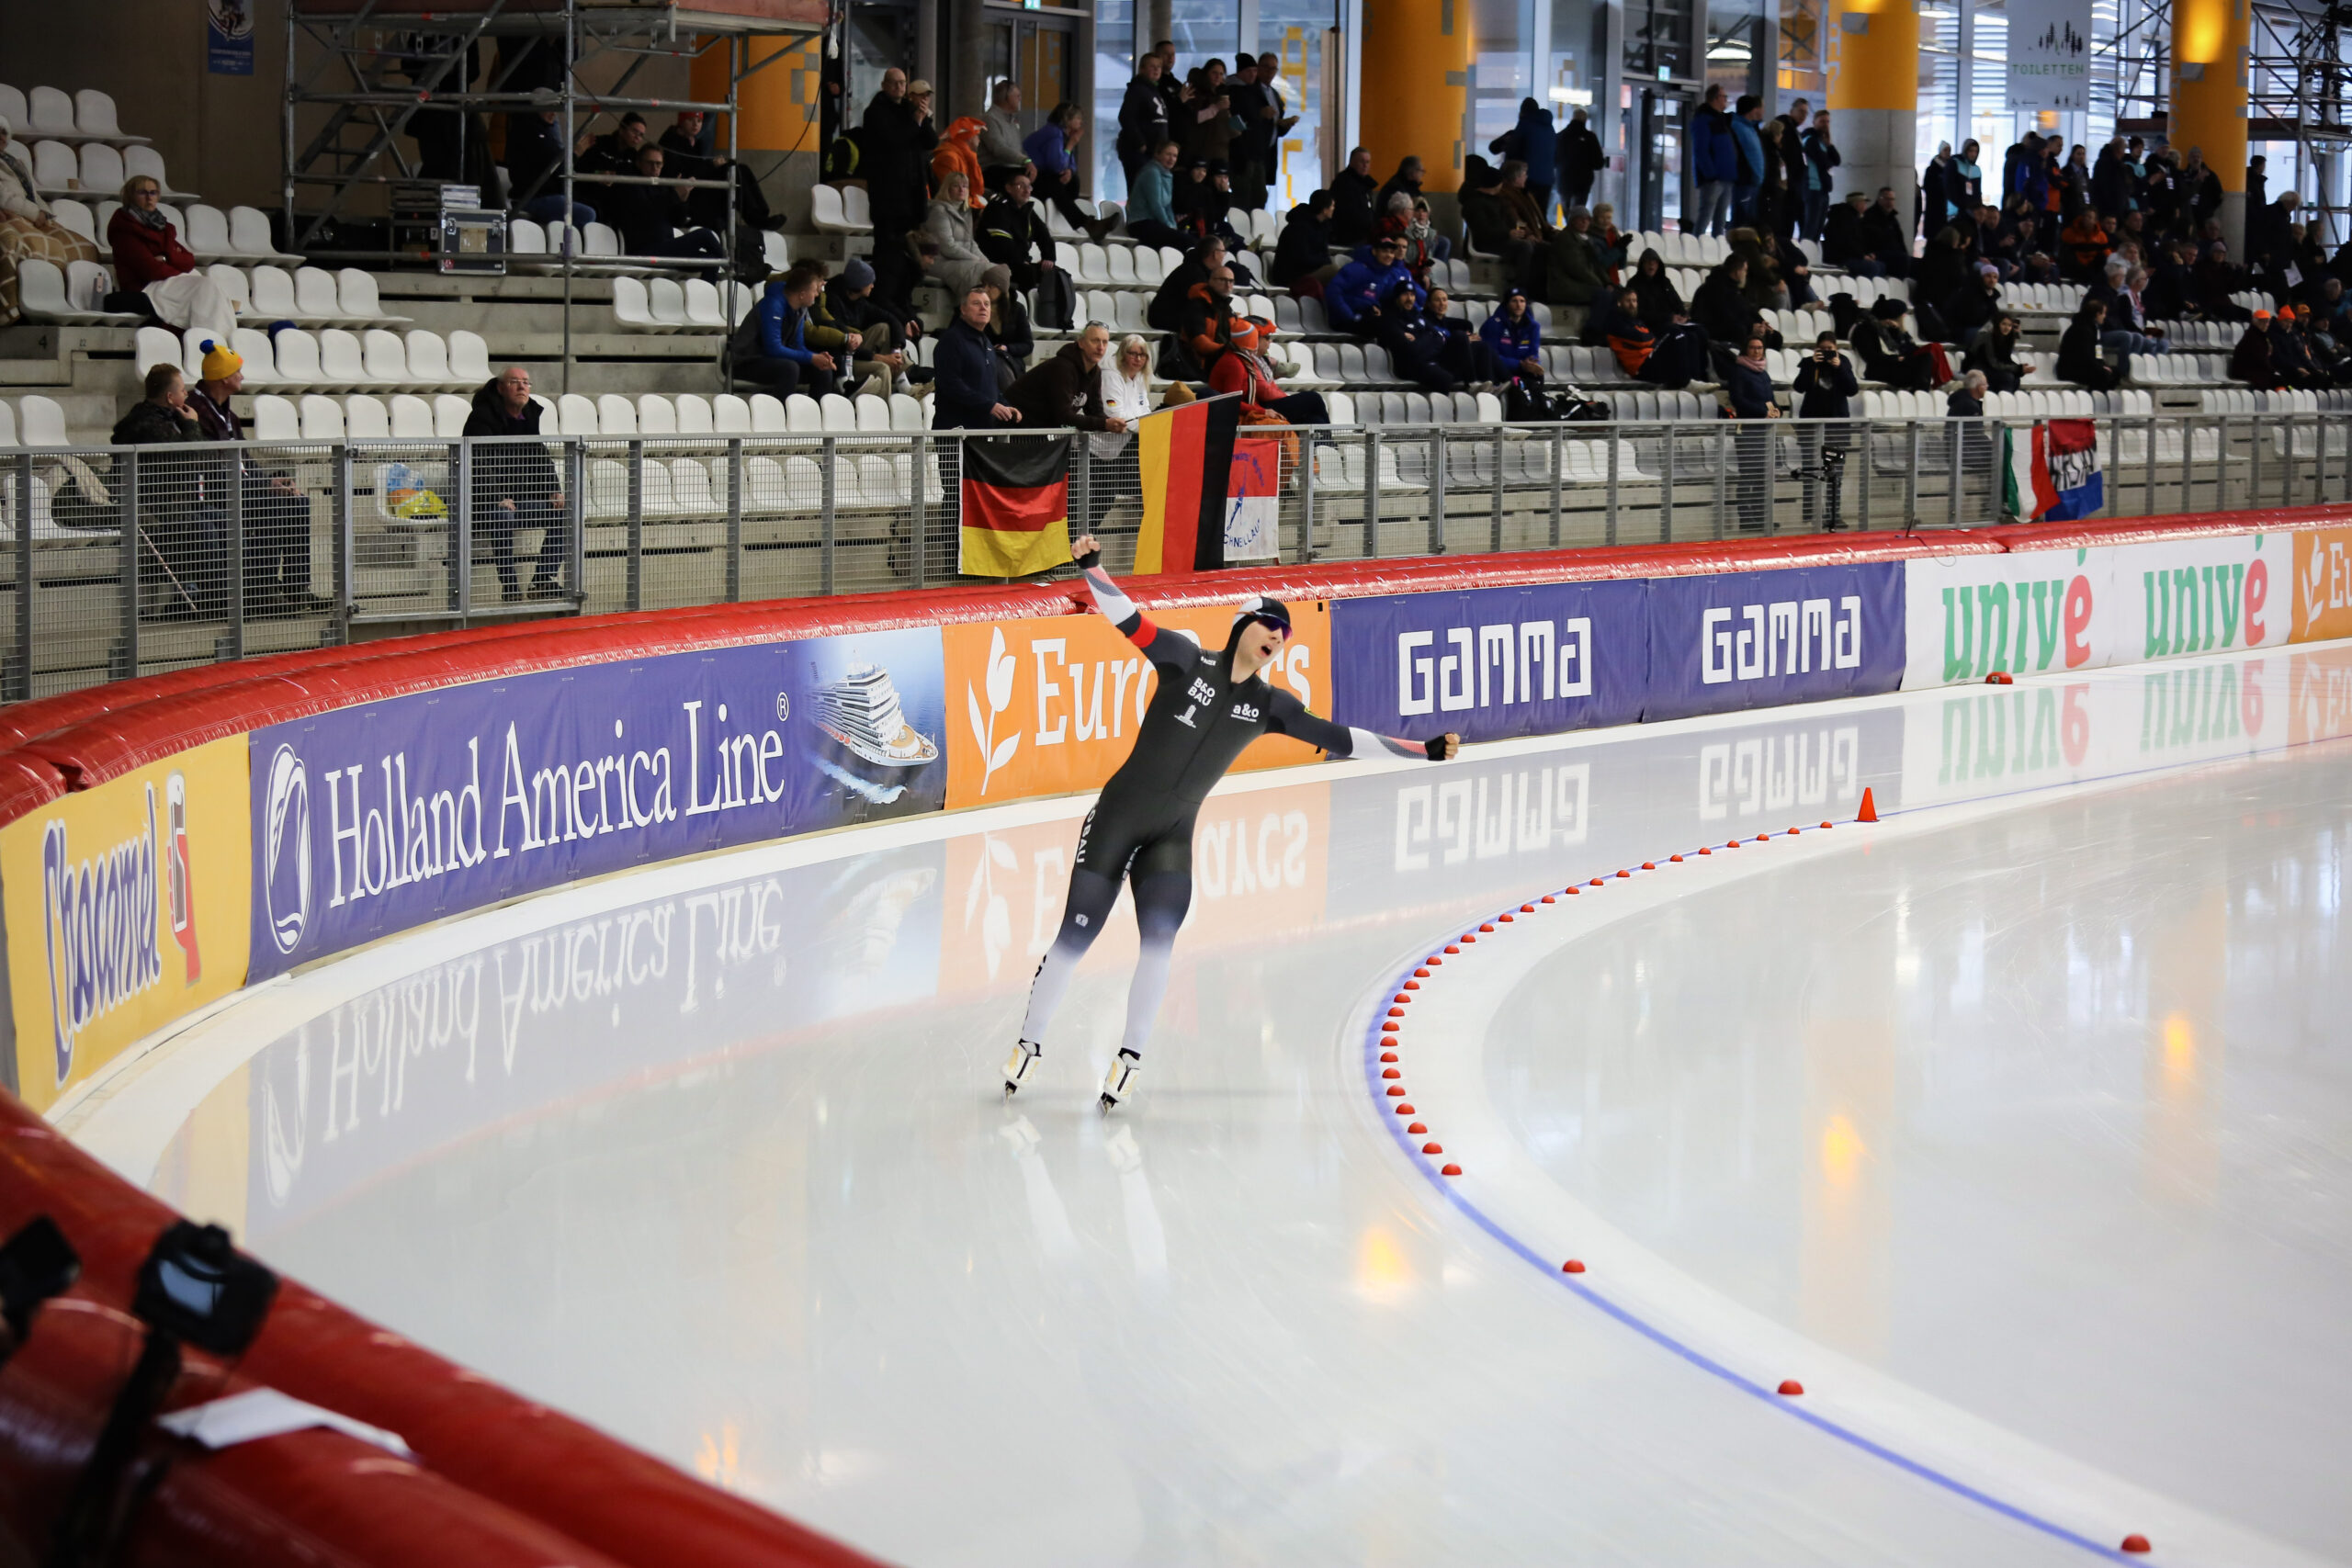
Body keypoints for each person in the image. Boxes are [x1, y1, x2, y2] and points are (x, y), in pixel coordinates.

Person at [1003, 542, 1460, 1108]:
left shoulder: (1271, 705)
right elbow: (1129, 620)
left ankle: (1129, 1060)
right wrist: (1091, 567)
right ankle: (1029, 1044)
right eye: (1270, 623)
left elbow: (1341, 739)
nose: (1278, 636)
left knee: (1159, 943)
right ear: (1244, 622)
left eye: (1285, 634)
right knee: (1075, 938)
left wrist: (1424, 750)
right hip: (1117, 819)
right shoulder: (1184, 659)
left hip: (1171, 837)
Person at [184, 340, 329, 614]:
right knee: (276, 506)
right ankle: (264, 589)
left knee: (297, 502)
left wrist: (273, 481)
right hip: (219, 495)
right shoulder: (197, 411)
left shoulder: (228, 414)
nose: (242, 376)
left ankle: (297, 590)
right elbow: (214, 469)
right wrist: (265, 485)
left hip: (244, 488)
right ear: (223, 378)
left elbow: (245, 462)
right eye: (237, 371)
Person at [462, 367, 569, 603]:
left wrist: (554, 491)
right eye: (515, 382)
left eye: (526, 382)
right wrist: (497, 496)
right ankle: (510, 585)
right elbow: (476, 462)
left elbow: (541, 458)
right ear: (501, 388)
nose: (522, 387)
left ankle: (542, 580)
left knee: (566, 512)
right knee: (503, 516)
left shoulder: (530, 416)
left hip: (522, 502)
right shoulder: (481, 418)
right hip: (485, 504)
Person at [107, 176, 235, 344]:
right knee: (205, 286)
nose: (149, 197)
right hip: (146, 287)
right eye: (142, 192)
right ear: (131, 196)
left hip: (168, 281)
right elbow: (150, 269)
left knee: (211, 288)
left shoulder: (161, 225)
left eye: (153, 192)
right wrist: (174, 261)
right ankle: (211, 345)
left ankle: (218, 343)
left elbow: (188, 260)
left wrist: (166, 258)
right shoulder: (124, 229)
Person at [0, 115, 101, 327]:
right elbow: (5, 198)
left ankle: (84, 305)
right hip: (12, 214)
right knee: (43, 246)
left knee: (84, 247)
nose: (0, 137)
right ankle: (18, 309)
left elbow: (33, 195)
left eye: (3, 132)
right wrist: (34, 214)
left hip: (28, 213)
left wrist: (45, 215)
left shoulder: (15, 163)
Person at [600, 145, 725, 265]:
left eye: (658, 164)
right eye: (650, 163)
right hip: (644, 250)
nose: (654, 167)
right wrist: (675, 194)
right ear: (639, 163)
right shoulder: (630, 184)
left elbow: (678, 221)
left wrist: (682, 200)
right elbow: (647, 211)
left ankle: (720, 273)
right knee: (704, 234)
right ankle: (731, 266)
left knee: (710, 261)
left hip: (666, 248)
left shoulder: (662, 187)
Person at [729, 263, 839, 396]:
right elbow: (773, 348)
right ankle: (781, 413)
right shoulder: (773, 305)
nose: (817, 294)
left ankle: (818, 413)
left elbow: (798, 346)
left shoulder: (800, 309)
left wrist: (817, 358)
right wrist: (811, 357)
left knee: (822, 369)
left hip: (770, 359)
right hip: (745, 361)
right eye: (815, 290)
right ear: (802, 294)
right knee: (789, 368)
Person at [861, 68, 937, 254]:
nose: (899, 87)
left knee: (911, 247)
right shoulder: (875, 112)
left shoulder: (910, 108)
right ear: (884, 85)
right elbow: (893, 141)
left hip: (913, 188)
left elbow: (931, 142)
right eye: (894, 83)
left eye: (903, 82)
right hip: (888, 190)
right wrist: (916, 122)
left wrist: (924, 119)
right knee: (888, 244)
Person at [1008, 321, 1128, 433]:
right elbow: (1063, 416)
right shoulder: (1062, 368)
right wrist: (1104, 424)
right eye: (1095, 341)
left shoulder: (1095, 372)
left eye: (1105, 342)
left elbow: (1095, 412)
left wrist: (1113, 424)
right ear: (1081, 343)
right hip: (1015, 426)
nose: (1101, 347)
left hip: (1039, 430)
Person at [981, 170, 1066, 322]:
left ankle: (1053, 318)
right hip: (997, 262)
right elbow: (1002, 244)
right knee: (1027, 273)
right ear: (1009, 188)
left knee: (1055, 273)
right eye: (1021, 186)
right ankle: (1024, 317)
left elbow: (1044, 235)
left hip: (1020, 261)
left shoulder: (1026, 210)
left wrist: (1048, 257)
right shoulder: (997, 208)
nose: (1027, 190)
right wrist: (1020, 261)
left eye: (1029, 187)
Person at [1210, 317, 1330, 424]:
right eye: (1266, 338)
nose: (1270, 342)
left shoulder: (1244, 359)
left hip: (1255, 409)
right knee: (1313, 398)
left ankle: (1327, 447)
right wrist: (1264, 411)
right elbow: (1232, 403)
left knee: (1314, 420)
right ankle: (1330, 445)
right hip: (1247, 415)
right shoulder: (1234, 363)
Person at [933, 285, 1023, 429]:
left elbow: (990, 386)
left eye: (986, 304)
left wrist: (1005, 406)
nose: (983, 308)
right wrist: (989, 405)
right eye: (976, 304)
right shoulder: (951, 341)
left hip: (982, 429)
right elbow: (951, 384)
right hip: (955, 431)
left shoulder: (986, 342)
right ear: (963, 309)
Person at [1792, 330, 1856, 528]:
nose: (1827, 353)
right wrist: (1813, 366)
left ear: (1836, 348)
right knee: (1811, 471)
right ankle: (1810, 514)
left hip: (1836, 428)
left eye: (1830, 349)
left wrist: (1839, 368)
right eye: (1823, 349)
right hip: (1811, 427)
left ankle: (1834, 514)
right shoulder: (1809, 363)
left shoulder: (1843, 362)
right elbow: (1799, 387)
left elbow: (1852, 389)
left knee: (1835, 472)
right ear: (1816, 348)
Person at [1024, 103, 1112, 239]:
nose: (1081, 122)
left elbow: (1070, 164)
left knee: (1074, 180)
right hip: (1030, 177)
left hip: (1043, 175)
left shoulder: (1063, 135)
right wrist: (1071, 144)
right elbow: (1056, 165)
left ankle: (1077, 219)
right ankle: (1087, 224)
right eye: (1077, 118)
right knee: (1054, 184)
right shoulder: (1053, 133)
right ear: (1067, 119)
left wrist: (1070, 171)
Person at [1602, 286, 1710, 388]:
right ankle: (1685, 382)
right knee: (1676, 333)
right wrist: (1650, 339)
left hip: (1651, 360)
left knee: (1691, 336)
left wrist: (1650, 339)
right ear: (1619, 303)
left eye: (1634, 301)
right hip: (1642, 368)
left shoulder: (1637, 322)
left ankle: (1696, 379)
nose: (1632, 304)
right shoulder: (1615, 322)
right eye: (1628, 301)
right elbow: (1642, 339)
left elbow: (1648, 338)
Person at [1724, 334, 1778, 531]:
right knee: (1748, 475)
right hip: (1747, 429)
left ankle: (1760, 516)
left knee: (1762, 475)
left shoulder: (1763, 374)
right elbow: (1738, 399)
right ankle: (1746, 518)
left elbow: (1770, 397)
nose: (1757, 351)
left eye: (1760, 347)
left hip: (1764, 430)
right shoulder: (1739, 371)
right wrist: (1763, 412)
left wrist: (1775, 410)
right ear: (1746, 349)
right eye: (1753, 347)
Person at [1326, 235, 1418, 338]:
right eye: (1385, 251)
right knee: (1391, 331)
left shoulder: (1382, 275)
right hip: (1345, 319)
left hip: (1366, 317)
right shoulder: (1357, 269)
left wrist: (1374, 305)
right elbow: (1332, 292)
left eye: (1392, 252)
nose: (1389, 255)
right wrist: (1350, 316)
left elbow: (1369, 297)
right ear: (1374, 251)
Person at [919, 168, 990, 296]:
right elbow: (947, 247)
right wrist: (975, 259)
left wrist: (983, 259)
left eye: (965, 186)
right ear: (947, 189)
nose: (962, 190)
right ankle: (967, 309)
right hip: (940, 261)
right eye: (956, 186)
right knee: (979, 271)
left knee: (995, 270)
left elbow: (971, 243)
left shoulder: (966, 211)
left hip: (961, 260)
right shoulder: (939, 211)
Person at [1852, 298, 1949, 389]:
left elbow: (1910, 349)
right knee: (1924, 361)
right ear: (1889, 318)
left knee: (1933, 350)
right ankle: (1923, 390)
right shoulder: (1864, 330)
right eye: (1901, 317)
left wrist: (1901, 331)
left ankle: (1937, 383)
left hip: (1895, 364)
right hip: (1881, 369)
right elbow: (1871, 356)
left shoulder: (1890, 330)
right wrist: (1896, 358)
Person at [1490, 97, 1557, 219]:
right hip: (1547, 180)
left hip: (1526, 178)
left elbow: (1512, 150)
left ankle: (1528, 237)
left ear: (1522, 112)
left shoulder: (1524, 124)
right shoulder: (1550, 128)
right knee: (1541, 215)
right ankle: (1541, 235)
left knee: (1523, 214)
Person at [1690, 85, 1738, 237]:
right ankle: (1696, 246)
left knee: (1720, 218)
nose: (1726, 100)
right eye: (1724, 97)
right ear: (1716, 98)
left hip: (1726, 177)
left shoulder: (1721, 120)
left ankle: (1716, 249)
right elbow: (1701, 149)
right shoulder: (1703, 120)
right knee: (1706, 215)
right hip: (1713, 179)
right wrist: (1711, 174)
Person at [1117, 54, 1172, 186]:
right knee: (1140, 191)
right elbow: (1125, 116)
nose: (1156, 70)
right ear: (1142, 69)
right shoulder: (1137, 90)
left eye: (1159, 67)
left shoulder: (1154, 90)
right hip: (1139, 154)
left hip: (1154, 153)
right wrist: (1140, 144)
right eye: (1152, 66)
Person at [1272, 189, 1337, 291]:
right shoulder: (1299, 227)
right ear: (1324, 209)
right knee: (1335, 272)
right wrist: (1324, 261)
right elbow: (1302, 258)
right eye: (1332, 206)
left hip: (1306, 271)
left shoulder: (1322, 226)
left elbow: (1322, 253)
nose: (1334, 209)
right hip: (1292, 276)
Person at [1480, 286, 1544, 387]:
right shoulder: (1493, 324)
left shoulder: (1533, 326)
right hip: (1500, 369)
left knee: (1538, 375)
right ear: (1506, 304)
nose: (1519, 305)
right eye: (1514, 301)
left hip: (1522, 367)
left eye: (1522, 301)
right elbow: (1491, 357)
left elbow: (1533, 353)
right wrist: (1519, 364)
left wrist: (1533, 364)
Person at [1126, 139, 1185, 249]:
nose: (1171, 159)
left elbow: (1167, 206)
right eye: (1168, 154)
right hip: (1140, 223)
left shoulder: (1168, 175)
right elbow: (1156, 205)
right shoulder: (1151, 172)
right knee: (1184, 241)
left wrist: (1173, 225)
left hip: (1155, 223)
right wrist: (1168, 226)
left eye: (1175, 156)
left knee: (1185, 239)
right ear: (1158, 154)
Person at [1547, 207, 1610, 310]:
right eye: (1580, 219)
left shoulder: (1588, 239)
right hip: (1565, 285)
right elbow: (1577, 268)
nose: (1584, 222)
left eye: (1587, 219)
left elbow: (1597, 265)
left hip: (1583, 282)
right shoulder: (1565, 238)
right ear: (1572, 221)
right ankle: (1593, 326)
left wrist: (1608, 283)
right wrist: (1600, 284)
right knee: (1603, 294)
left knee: (1620, 293)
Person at [2057, 298, 2121, 390]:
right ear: (2097, 314)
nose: (2104, 316)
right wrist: (2101, 368)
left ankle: (2104, 398)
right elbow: (2085, 356)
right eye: (2103, 313)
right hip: (2071, 369)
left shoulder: (2094, 329)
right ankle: (2094, 398)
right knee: (2102, 374)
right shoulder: (2081, 329)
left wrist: (2104, 365)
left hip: (2086, 366)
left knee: (2115, 372)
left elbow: (2097, 353)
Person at [978, 79, 1030, 190]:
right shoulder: (990, 119)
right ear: (1007, 98)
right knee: (1033, 177)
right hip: (993, 170)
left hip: (1010, 168)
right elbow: (998, 148)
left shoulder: (1012, 121)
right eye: (1017, 96)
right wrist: (1025, 160)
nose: (1020, 99)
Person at [1963, 311, 2033, 393]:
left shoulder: (2008, 338)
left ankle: (2008, 399)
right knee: (2007, 377)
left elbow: (2006, 360)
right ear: (1997, 324)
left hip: (1993, 369)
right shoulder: (1987, 337)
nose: (2007, 328)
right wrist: (2018, 368)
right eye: (2004, 324)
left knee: (2016, 379)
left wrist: (2020, 369)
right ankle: (2004, 401)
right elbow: (1993, 363)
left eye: (2009, 325)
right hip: (1978, 369)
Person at [1799, 111, 1840, 242]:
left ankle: (1811, 255)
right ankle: (1804, 255)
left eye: (1828, 122)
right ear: (1814, 122)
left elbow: (1837, 160)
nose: (1825, 125)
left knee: (1818, 228)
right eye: (1822, 121)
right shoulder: (1810, 140)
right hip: (1813, 187)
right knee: (1810, 227)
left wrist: (1829, 145)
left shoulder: (1822, 142)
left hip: (1823, 189)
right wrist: (1828, 161)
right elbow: (1823, 161)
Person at [1102, 333, 1157, 424]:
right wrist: (1146, 427)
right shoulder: (1110, 376)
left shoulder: (1140, 376)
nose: (1138, 359)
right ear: (1122, 354)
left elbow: (1144, 409)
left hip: (1130, 436)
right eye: (1133, 354)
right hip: (1105, 437)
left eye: (1142, 355)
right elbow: (1116, 415)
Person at [1557, 107, 1603, 213]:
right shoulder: (1590, 138)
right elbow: (1598, 163)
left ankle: (1568, 228)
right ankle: (1574, 228)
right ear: (1585, 120)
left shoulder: (1560, 136)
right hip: (1582, 183)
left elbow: (1554, 159)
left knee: (1566, 211)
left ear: (1572, 118)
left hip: (1563, 180)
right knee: (1577, 211)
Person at [1329, 145, 1378, 244]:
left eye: (1367, 162)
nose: (1365, 165)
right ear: (1352, 162)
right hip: (1348, 237)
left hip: (1365, 236)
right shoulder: (1343, 182)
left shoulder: (1366, 184)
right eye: (1362, 161)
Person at [1730, 96, 1767, 227]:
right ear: (1753, 110)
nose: (1763, 111)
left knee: (1750, 221)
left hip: (1753, 182)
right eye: (1761, 107)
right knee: (1741, 220)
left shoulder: (1751, 128)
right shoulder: (1738, 127)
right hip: (1744, 181)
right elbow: (1740, 154)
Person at [1860, 187, 1912, 277]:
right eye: (1887, 199)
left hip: (1893, 253)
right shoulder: (1870, 217)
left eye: (1892, 199)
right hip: (1877, 253)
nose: (1890, 203)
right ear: (1879, 199)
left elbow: (1900, 240)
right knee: (1903, 259)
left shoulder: (1892, 219)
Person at [1822, 191, 1878, 274]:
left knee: (1879, 265)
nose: (1865, 207)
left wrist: (1867, 253)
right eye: (1864, 204)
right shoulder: (1846, 218)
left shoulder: (1853, 218)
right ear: (1857, 204)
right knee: (1872, 267)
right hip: (1840, 258)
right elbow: (1847, 242)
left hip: (1848, 256)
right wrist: (1862, 256)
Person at [2229, 309, 2282, 389]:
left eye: (2267, 322)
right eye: (2263, 321)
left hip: (2254, 370)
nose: (2266, 324)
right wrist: (2272, 370)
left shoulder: (2260, 335)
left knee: (2279, 379)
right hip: (2246, 371)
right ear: (2255, 322)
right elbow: (2259, 359)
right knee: (2276, 380)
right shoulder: (2252, 337)